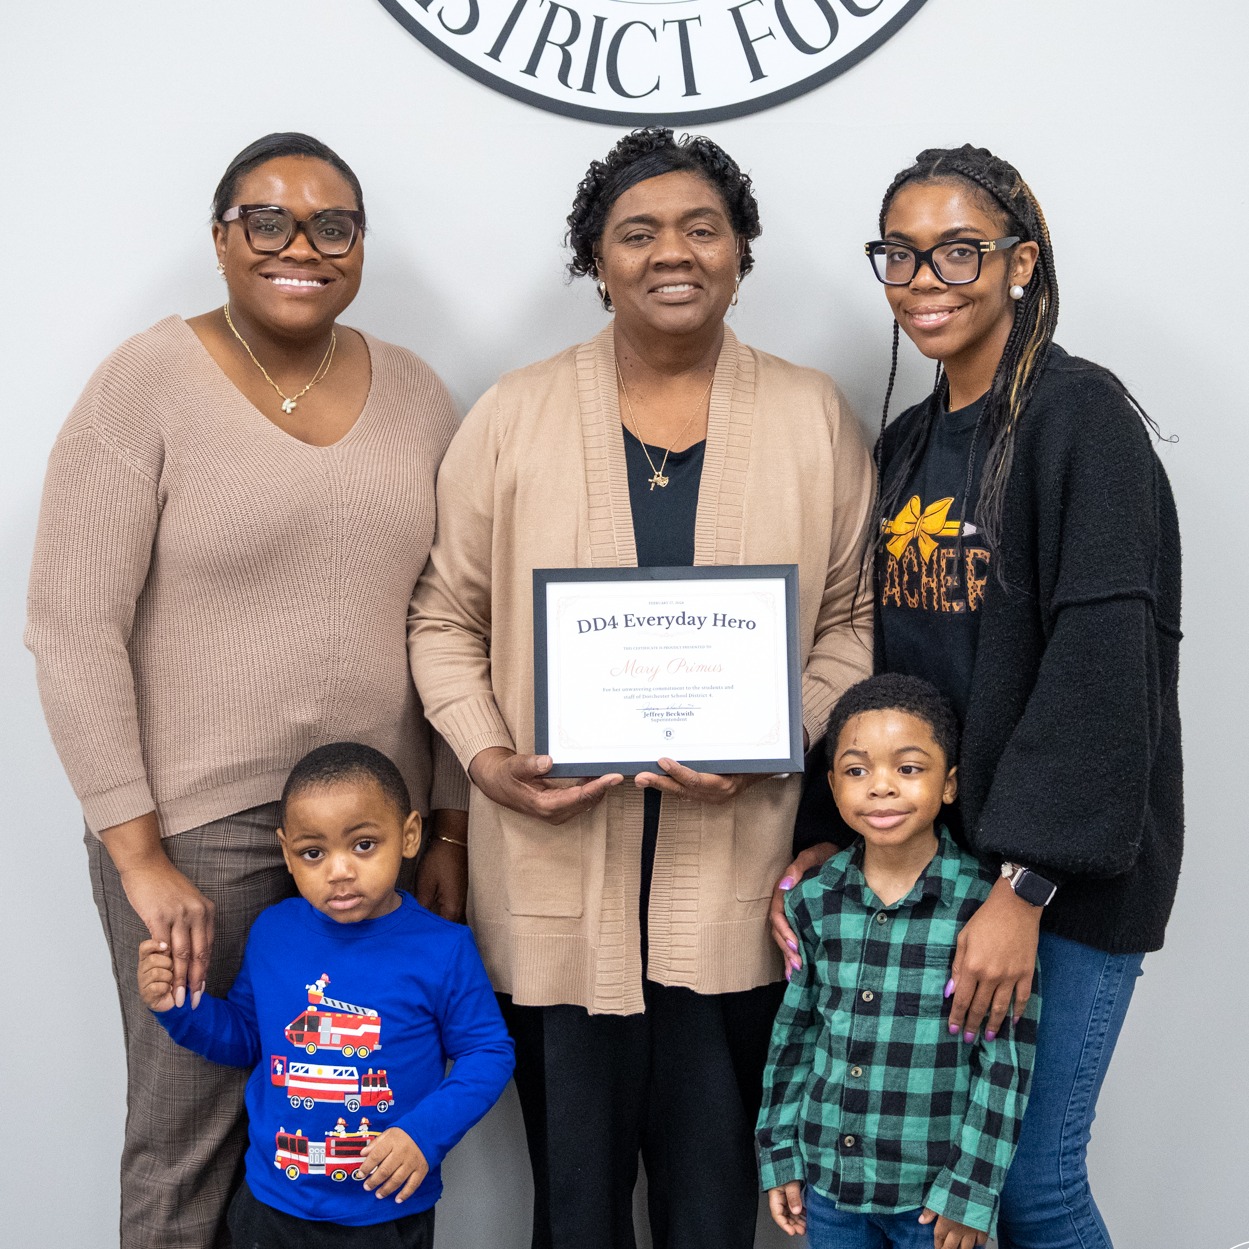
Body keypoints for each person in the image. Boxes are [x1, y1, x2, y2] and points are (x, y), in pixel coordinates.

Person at [407, 127, 875, 1249]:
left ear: (741, 250)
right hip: (556, 898)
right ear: (597, 260)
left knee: (715, 1214)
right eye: (638, 232)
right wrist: (484, 759)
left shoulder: (813, 416)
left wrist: (779, 734)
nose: (674, 252)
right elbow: (442, 616)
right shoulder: (513, 416)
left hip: (737, 900)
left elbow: (852, 623)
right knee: (573, 1214)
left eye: (702, 227)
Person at [25, 132, 469, 1248]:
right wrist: (138, 856)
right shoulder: (148, 379)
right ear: (221, 237)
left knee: (342, 1127)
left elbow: (453, 617)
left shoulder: (417, 392)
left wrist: (448, 821)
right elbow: (71, 624)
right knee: (186, 1138)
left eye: (333, 226)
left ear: (360, 246)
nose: (300, 247)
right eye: (266, 221)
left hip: (376, 833)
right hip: (197, 833)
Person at [773, 145, 1183, 1249]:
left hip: (1056, 888)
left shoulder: (1078, 421)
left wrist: (1025, 886)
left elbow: (1104, 672)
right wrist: (828, 829)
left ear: (1020, 262)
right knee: (945, 1193)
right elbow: (875, 666)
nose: (924, 278)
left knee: (1027, 1188)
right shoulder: (907, 445)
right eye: (899, 255)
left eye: (958, 249)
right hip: (934, 878)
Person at [138, 743, 514, 1249]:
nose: (339, 870)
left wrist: (425, 1133)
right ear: (286, 852)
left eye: (363, 845)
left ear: (408, 836)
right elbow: (248, 1038)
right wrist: (178, 1008)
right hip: (271, 1207)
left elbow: (488, 1053)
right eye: (313, 853)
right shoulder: (273, 931)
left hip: (384, 1213)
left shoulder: (443, 948)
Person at [758, 674, 1037, 1249]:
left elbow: (1005, 1066)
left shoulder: (985, 915)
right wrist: (779, 1152)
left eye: (908, 768)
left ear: (950, 784)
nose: (880, 788)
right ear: (833, 786)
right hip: (831, 1188)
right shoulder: (813, 901)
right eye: (857, 771)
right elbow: (795, 1035)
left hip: (933, 1205)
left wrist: (971, 1193)